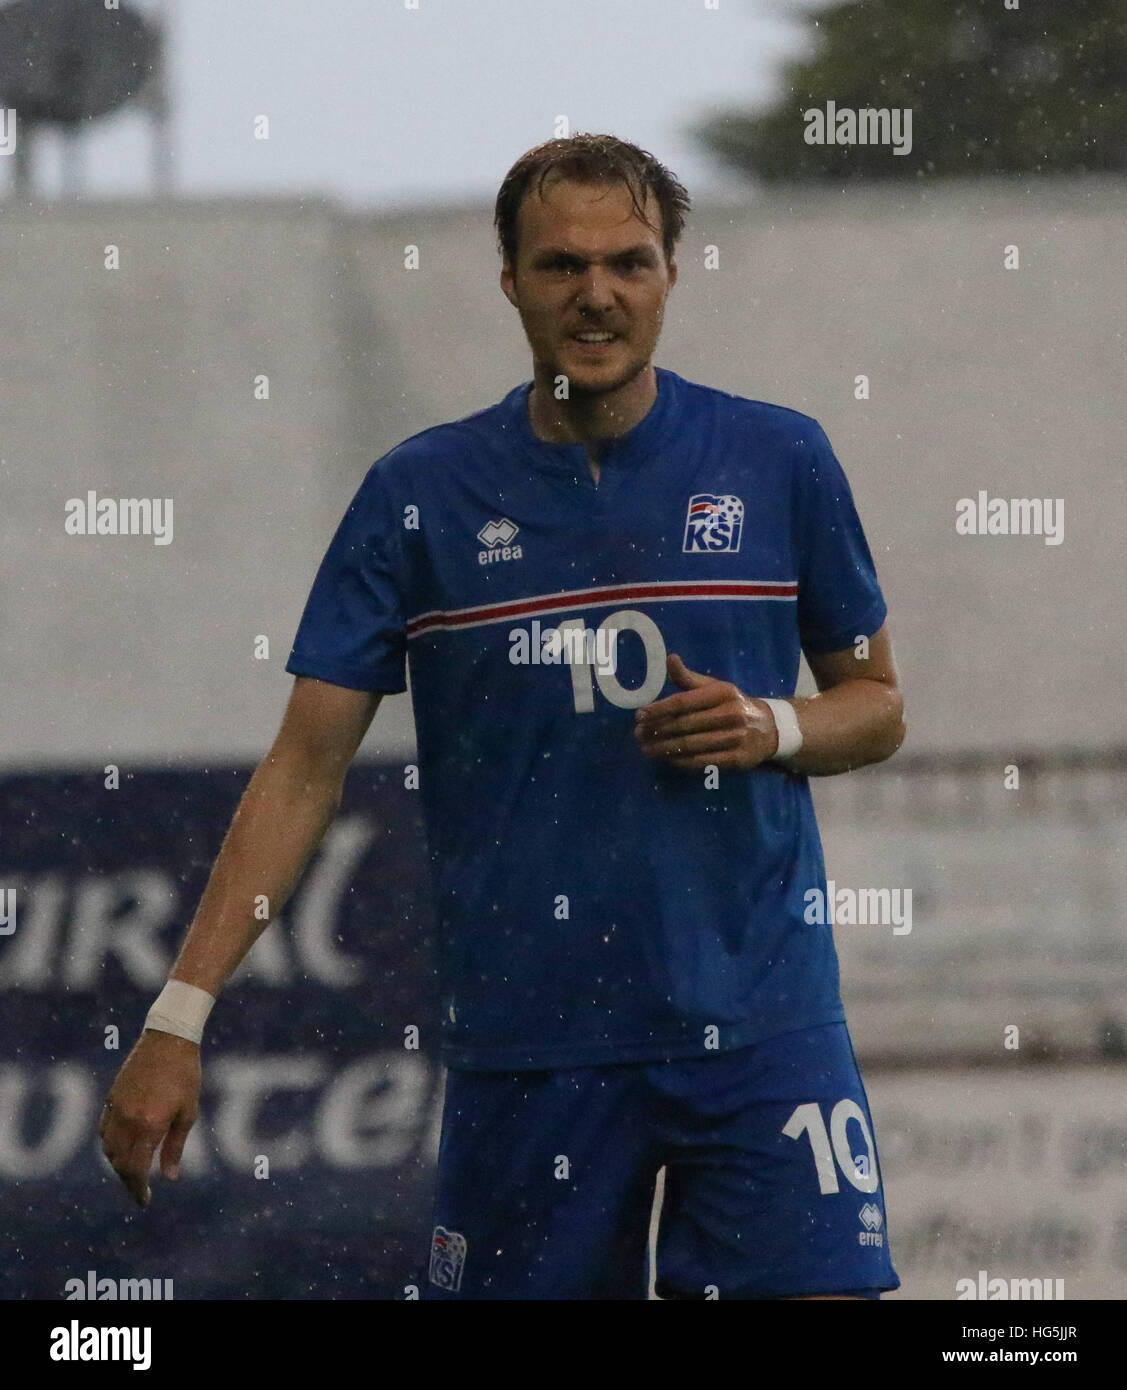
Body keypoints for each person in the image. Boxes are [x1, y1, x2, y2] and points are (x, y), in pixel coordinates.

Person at [101, 133, 906, 1301]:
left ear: (670, 274)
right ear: (510, 281)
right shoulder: (416, 494)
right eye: (560, 265)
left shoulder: (778, 458)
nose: (596, 293)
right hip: (532, 1047)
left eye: (628, 262)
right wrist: (179, 1014)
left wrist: (771, 728)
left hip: (760, 1034)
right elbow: (302, 770)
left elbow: (874, 706)